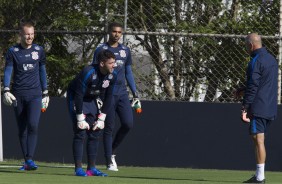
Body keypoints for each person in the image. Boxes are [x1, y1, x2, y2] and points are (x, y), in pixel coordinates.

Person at [92, 22, 141, 171]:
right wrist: (96, 93)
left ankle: (112, 150)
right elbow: (95, 71)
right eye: (114, 31)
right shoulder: (101, 50)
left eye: (119, 32)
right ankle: (109, 161)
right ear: (109, 32)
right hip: (107, 94)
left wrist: (135, 92)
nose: (117, 34)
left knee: (128, 123)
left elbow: (128, 72)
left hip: (122, 94)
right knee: (109, 127)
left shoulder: (125, 50)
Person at [3, 20, 49, 170]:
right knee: (22, 128)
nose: (30, 37)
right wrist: (6, 89)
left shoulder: (39, 50)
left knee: (33, 125)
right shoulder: (12, 51)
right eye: (27, 34)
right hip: (18, 95)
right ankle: (27, 161)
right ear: (20, 35)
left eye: (32, 34)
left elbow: (42, 71)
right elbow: (8, 70)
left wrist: (45, 91)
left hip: (35, 95)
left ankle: (29, 159)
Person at [67, 49, 117, 177]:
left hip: (91, 99)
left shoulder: (112, 75)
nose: (114, 65)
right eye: (111, 63)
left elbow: (109, 97)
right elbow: (78, 95)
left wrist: (102, 118)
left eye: (114, 62)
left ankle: (91, 169)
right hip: (77, 98)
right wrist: (80, 117)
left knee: (95, 131)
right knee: (80, 131)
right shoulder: (88, 72)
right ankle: (78, 168)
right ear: (102, 63)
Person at [241, 33, 278, 183]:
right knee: (258, 139)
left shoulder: (255, 61)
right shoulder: (271, 60)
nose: (246, 49)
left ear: (251, 45)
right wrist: (241, 89)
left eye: (246, 46)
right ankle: (259, 176)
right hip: (270, 106)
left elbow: (254, 86)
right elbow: (262, 83)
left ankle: (260, 178)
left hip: (258, 107)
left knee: (258, 139)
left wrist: (245, 106)